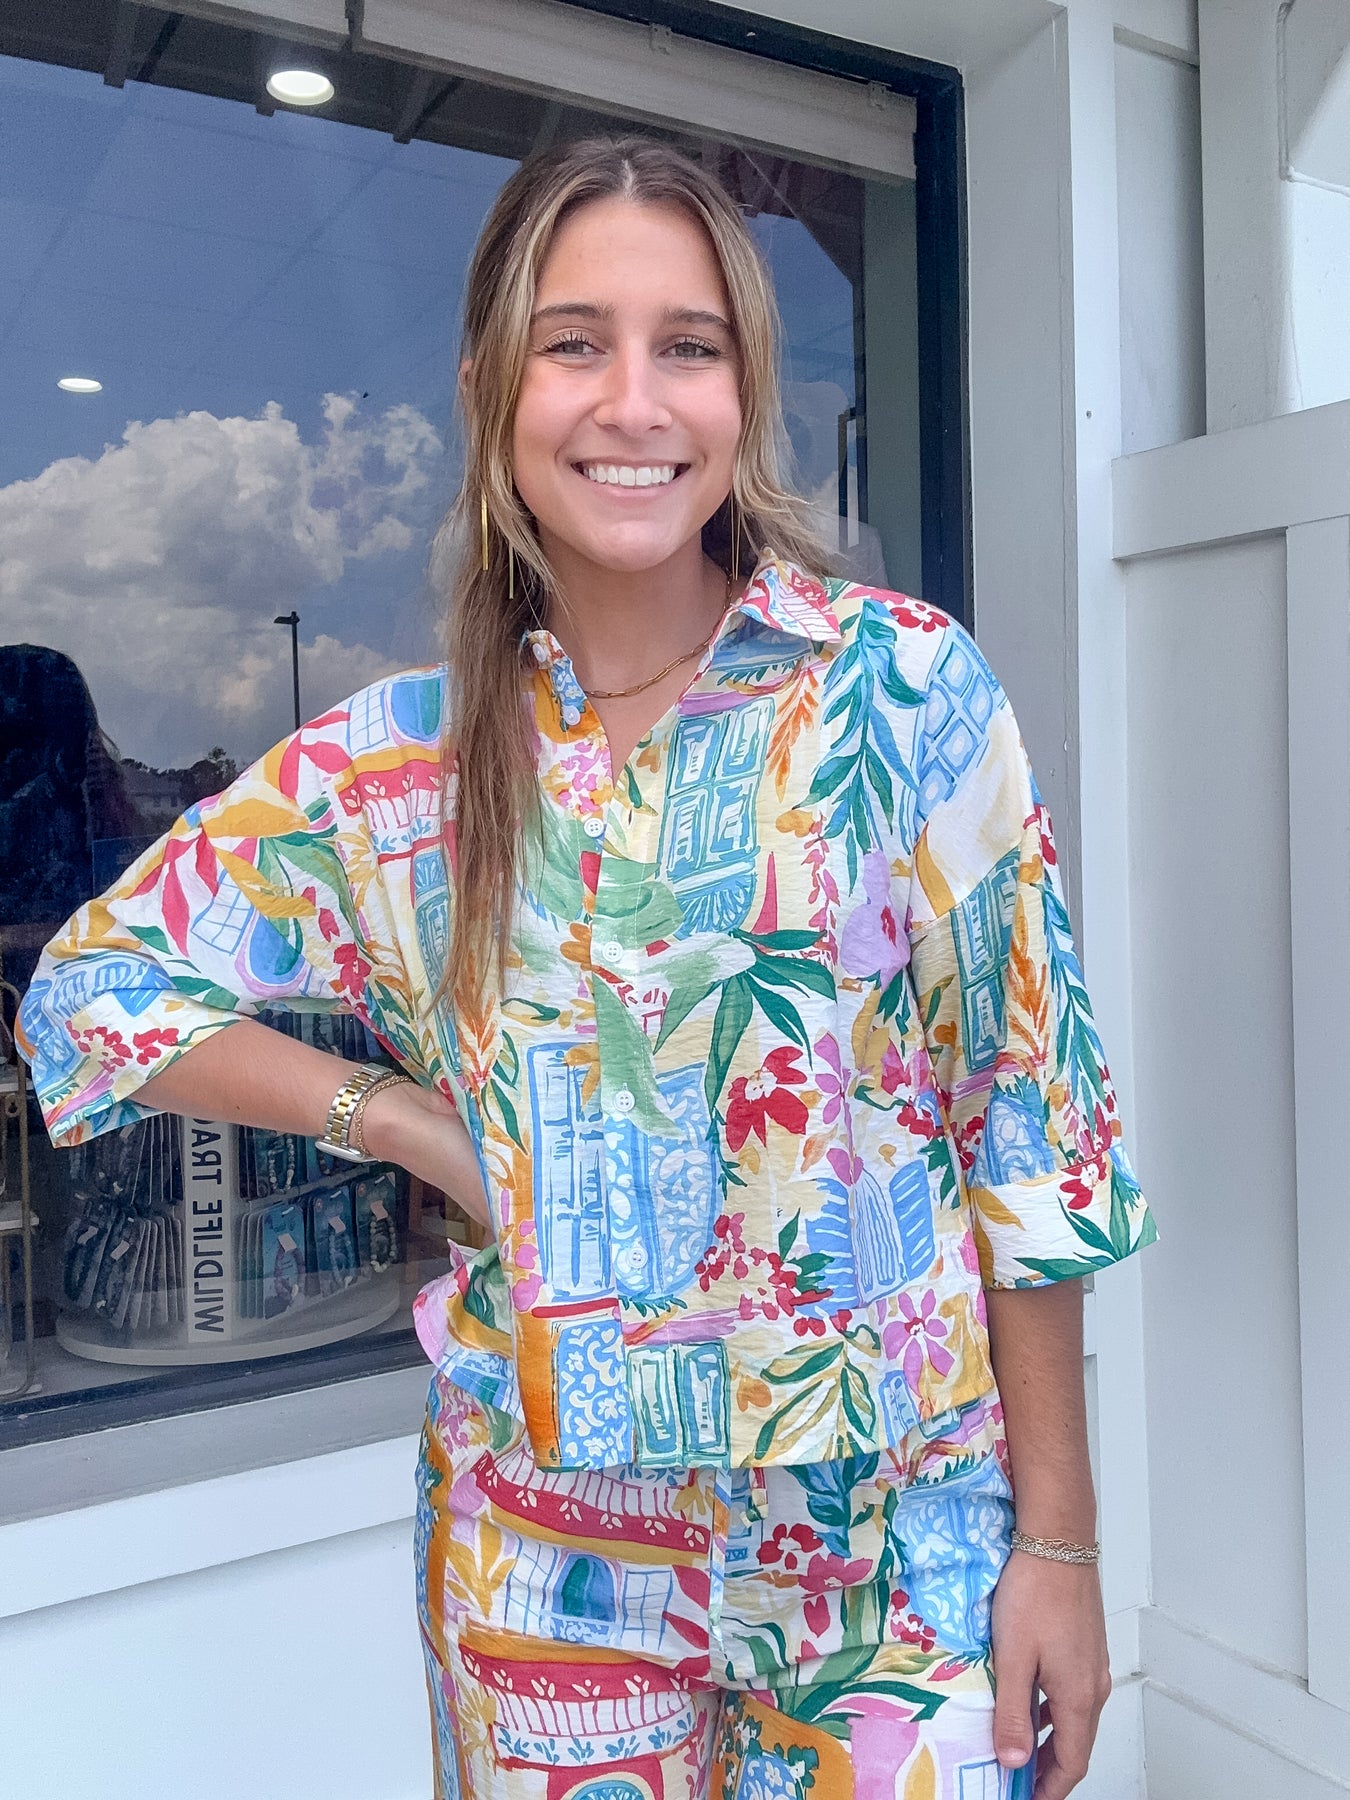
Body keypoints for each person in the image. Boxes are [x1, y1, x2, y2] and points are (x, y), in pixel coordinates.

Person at [18, 136, 1155, 1800]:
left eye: (687, 345)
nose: (634, 401)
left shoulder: (897, 691)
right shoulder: (395, 767)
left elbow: (1028, 1126)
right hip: (545, 1565)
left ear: (743, 391)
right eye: (575, 343)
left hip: (895, 1557)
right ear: (492, 391)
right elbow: (90, 989)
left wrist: (1057, 1540)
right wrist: (398, 1120)